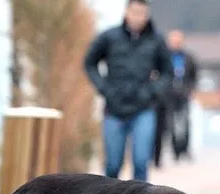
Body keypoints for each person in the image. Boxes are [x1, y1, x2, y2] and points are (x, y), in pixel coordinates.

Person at [83, 0, 173, 182]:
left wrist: (153, 91)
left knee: (141, 162)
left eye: (142, 13)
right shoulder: (109, 37)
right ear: (126, 13)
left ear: (147, 14)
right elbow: (89, 63)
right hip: (114, 109)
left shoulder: (156, 40)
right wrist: (104, 88)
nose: (138, 17)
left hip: (144, 108)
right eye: (135, 12)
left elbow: (167, 72)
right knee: (113, 165)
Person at [153, 29, 199, 168]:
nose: (176, 43)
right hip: (168, 95)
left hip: (183, 93)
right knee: (170, 124)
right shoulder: (164, 57)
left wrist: (190, 89)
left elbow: (194, 75)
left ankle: (184, 149)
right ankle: (175, 151)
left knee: (184, 123)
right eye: (173, 40)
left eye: (178, 40)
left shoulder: (188, 57)